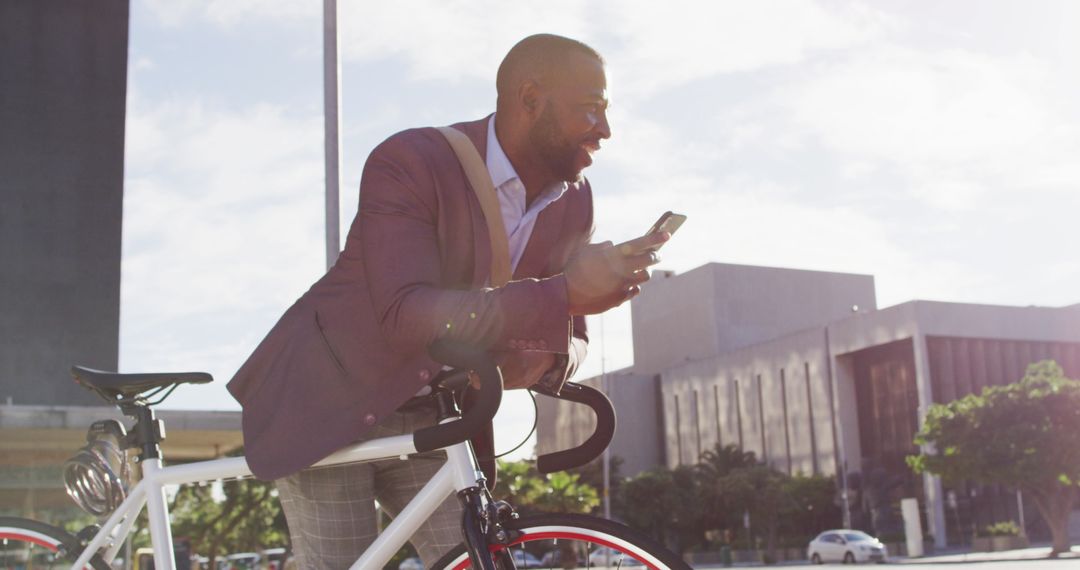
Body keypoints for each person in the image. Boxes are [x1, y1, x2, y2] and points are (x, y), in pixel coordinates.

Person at [226, 33, 666, 569]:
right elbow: (407, 315)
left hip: (436, 415)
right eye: (590, 110)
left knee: (482, 559)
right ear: (530, 100)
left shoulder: (574, 201)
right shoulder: (411, 160)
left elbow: (570, 341)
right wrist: (563, 293)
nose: (605, 130)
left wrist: (559, 330)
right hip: (330, 401)